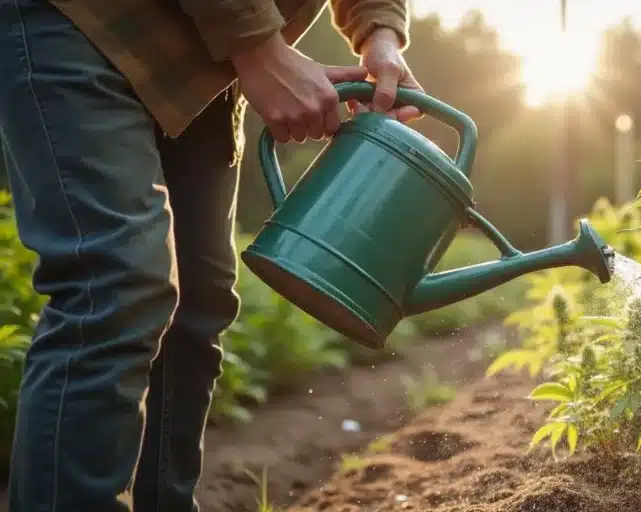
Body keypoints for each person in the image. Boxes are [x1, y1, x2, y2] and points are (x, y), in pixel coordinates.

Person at [0, 0, 422, 509]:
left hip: (206, 57)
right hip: (86, 21)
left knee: (198, 306)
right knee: (115, 286)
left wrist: (380, 33)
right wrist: (258, 45)